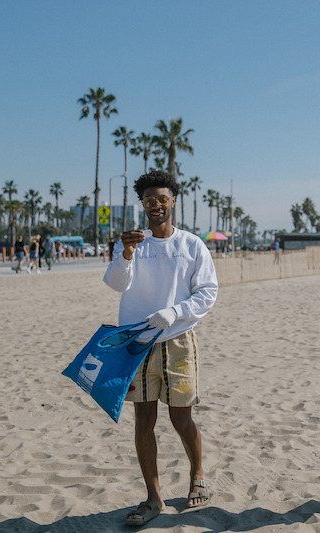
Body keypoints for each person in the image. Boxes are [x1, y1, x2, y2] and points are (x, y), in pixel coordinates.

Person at [103, 170, 218, 527]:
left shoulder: (191, 244)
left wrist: (175, 311)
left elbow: (207, 292)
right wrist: (125, 253)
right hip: (137, 341)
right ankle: (154, 498)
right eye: (149, 200)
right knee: (143, 419)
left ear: (173, 201)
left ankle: (197, 472)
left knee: (181, 417)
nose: (156, 206)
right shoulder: (134, 244)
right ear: (143, 204)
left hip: (179, 340)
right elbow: (115, 284)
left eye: (162, 199)